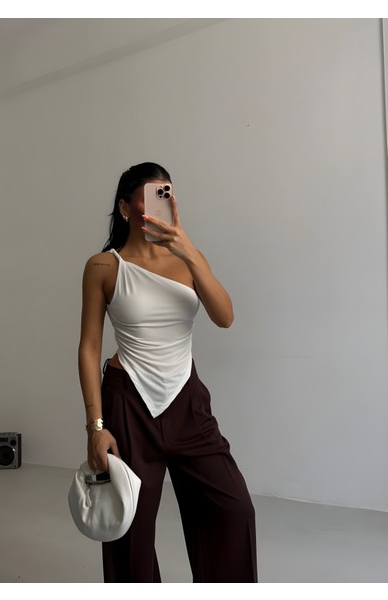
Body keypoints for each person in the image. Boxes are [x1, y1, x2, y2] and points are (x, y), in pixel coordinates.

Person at [77, 162, 258, 583]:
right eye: (152, 195)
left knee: (233, 510)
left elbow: (225, 317)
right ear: (126, 207)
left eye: (168, 193)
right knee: (129, 528)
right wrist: (95, 427)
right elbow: (89, 347)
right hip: (128, 402)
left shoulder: (189, 259)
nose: (163, 203)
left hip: (187, 401)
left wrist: (188, 250)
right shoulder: (104, 266)